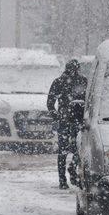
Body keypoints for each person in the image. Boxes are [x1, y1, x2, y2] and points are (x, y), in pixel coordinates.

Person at [47, 59, 88, 189]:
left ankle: (63, 179)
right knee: (77, 150)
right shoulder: (81, 81)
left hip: (68, 120)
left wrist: (57, 116)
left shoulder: (59, 82)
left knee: (64, 151)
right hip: (76, 120)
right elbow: (88, 101)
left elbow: (50, 103)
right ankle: (71, 172)